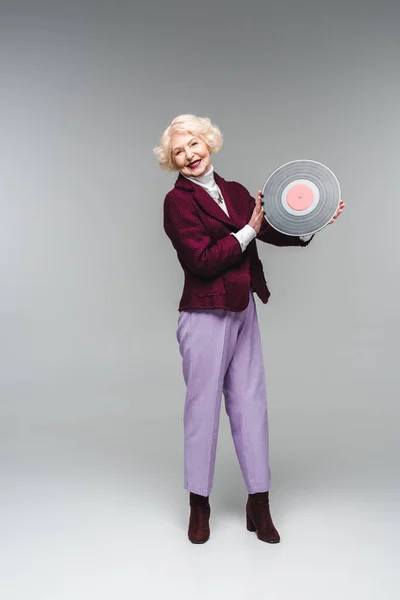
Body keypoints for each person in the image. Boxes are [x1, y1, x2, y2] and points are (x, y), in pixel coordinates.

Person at [154, 114, 344, 544]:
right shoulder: (177, 202)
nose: (189, 156)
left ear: (209, 143)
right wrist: (247, 231)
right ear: (173, 162)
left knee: (251, 406)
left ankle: (259, 504)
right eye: (179, 152)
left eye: (194, 145)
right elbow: (201, 260)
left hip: (242, 309)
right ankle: (198, 507)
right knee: (202, 411)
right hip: (204, 313)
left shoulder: (237, 191)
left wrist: (314, 217)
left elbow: (270, 228)